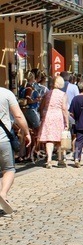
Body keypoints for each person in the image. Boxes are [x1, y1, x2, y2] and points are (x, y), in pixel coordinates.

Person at [0, 83, 30, 215]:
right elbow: (18, 115)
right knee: (9, 169)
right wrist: (26, 132)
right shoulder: (6, 94)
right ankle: (3, 193)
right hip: (3, 139)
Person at [38, 76, 70, 168]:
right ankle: (60, 160)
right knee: (60, 139)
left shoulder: (47, 93)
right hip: (58, 116)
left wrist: (42, 115)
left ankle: (49, 160)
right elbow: (64, 108)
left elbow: (41, 106)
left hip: (48, 116)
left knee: (49, 139)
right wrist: (67, 121)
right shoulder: (63, 94)